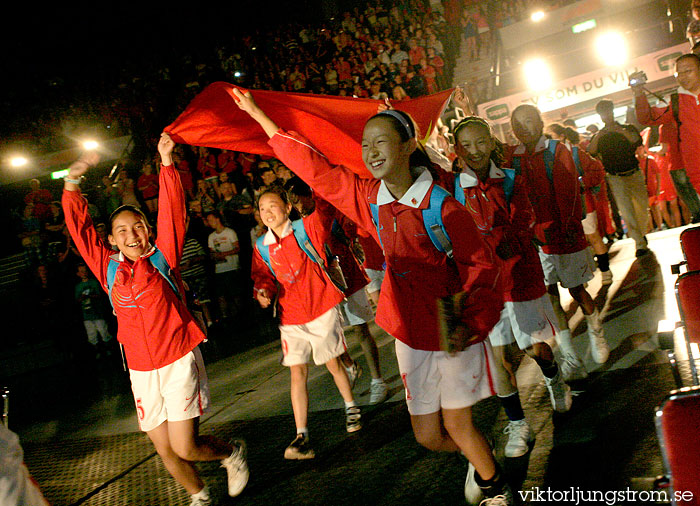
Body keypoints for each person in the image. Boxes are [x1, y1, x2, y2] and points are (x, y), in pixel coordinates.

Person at [234, 89, 512, 504]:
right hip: (407, 333)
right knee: (428, 437)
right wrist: (262, 117)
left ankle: (496, 488)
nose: (370, 151)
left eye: (380, 141)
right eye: (365, 144)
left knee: (457, 426)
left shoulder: (446, 209)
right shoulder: (369, 199)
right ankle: (482, 456)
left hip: (450, 325)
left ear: (408, 145)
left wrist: (471, 323)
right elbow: (317, 171)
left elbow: (483, 271)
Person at [61, 135, 248, 506]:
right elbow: (81, 232)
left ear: (148, 230)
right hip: (142, 369)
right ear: (112, 240)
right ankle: (199, 495)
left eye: (138, 227)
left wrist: (166, 161)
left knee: (187, 446)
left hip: (178, 358)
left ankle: (230, 453)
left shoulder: (164, 257)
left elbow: (173, 210)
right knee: (164, 450)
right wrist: (71, 183)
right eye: (122, 231)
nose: (132, 235)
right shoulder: (108, 269)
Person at [451, 116, 570, 469]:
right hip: (484, 284)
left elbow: (522, 221)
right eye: (466, 145)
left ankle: (554, 377)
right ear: (457, 150)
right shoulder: (453, 187)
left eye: (479, 143)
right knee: (499, 357)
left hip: (519, 273)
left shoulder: (512, 178)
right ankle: (518, 425)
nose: (473, 151)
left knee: (535, 348)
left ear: (491, 142)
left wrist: (496, 245)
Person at [251, 187, 362, 460]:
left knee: (333, 363)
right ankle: (302, 434)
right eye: (263, 208)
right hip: (291, 317)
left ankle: (350, 406)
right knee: (296, 372)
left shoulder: (305, 229)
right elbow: (263, 276)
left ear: (288, 207)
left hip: (321, 307)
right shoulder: (261, 245)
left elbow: (325, 210)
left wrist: (316, 179)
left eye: (273, 206)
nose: (267, 213)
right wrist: (263, 291)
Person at [508, 105, 607, 378]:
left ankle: (596, 332)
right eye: (518, 123)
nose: (524, 127)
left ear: (540, 123)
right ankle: (570, 354)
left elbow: (569, 193)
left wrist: (566, 227)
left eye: (529, 121)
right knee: (551, 297)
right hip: (536, 242)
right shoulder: (511, 157)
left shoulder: (556, 150)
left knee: (577, 290)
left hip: (564, 237)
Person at [285, 176, 389, 405]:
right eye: (290, 201)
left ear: (308, 194)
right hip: (322, 286)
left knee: (361, 329)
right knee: (328, 336)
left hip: (348, 276)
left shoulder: (329, 210)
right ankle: (351, 366)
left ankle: (377, 380)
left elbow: (348, 233)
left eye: (296, 198)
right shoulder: (292, 225)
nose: (294, 204)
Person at [633, 53, 700, 223]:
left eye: (688, 70)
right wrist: (639, 93)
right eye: (679, 73)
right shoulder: (675, 102)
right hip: (696, 173)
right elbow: (647, 118)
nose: (683, 76)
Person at [547, 123, 612, 285]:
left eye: (552, 136)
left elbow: (597, 171)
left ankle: (605, 271)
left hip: (583, 203)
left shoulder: (576, 153)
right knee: (575, 242)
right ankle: (584, 276)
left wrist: (581, 182)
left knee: (592, 236)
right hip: (564, 209)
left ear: (561, 137)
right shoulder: (547, 157)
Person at [588, 99, 651, 257]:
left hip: (633, 172)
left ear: (613, 111)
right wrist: (598, 136)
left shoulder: (626, 128)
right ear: (600, 116)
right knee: (626, 211)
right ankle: (639, 243)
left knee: (642, 208)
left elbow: (637, 141)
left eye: (608, 112)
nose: (606, 116)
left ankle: (641, 234)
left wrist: (620, 131)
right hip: (615, 177)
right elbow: (591, 151)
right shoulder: (599, 135)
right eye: (603, 114)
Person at [205, 211, 242, 322]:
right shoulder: (211, 237)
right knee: (221, 295)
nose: (210, 223)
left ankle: (240, 314)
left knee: (235, 293)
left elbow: (237, 248)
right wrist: (216, 256)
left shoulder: (230, 232)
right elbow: (211, 252)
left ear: (217, 219)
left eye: (211, 220)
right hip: (219, 269)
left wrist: (224, 254)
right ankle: (225, 317)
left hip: (232, 267)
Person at [75, 263, 113, 358]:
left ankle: (109, 351)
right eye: (81, 271)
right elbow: (77, 299)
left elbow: (99, 294)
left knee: (104, 332)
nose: (83, 273)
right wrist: (83, 297)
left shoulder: (94, 283)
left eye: (85, 271)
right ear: (78, 274)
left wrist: (90, 296)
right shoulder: (78, 286)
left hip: (97, 313)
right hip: (87, 315)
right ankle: (97, 352)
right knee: (92, 335)